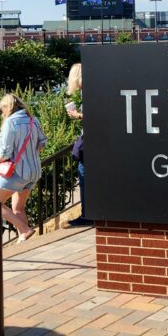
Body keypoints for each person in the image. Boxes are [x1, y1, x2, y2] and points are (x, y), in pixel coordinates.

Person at [0, 93, 47, 240]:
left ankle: (23, 229)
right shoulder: (33, 120)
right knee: (18, 208)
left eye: (1, 108)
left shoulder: (10, 122)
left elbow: (5, 151)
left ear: (7, 107)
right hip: (34, 171)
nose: (1, 112)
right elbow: (42, 143)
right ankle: (24, 241)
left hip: (17, 172)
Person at [64, 63, 89, 227]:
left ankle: (87, 214)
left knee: (84, 176)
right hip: (94, 142)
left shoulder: (89, 93)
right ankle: (89, 213)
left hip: (89, 144)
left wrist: (77, 115)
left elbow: (93, 116)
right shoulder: (93, 90)